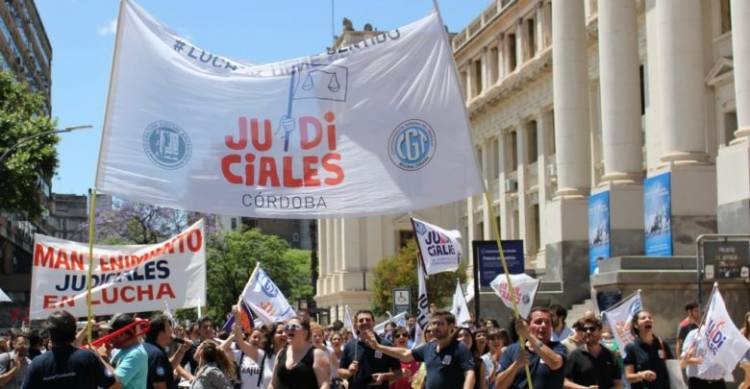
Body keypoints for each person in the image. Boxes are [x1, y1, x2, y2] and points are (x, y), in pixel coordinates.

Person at [363, 311, 476, 389]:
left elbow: (470, 374)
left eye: (440, 323)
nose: (435, 327)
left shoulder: (459, 347)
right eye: (433, 323)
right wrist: (378, 347)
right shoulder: (428, 347)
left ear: (451, 326)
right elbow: (406, 354)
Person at [21, 310, 117, 389]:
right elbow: (113, 384)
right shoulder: (89, 358)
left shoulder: (37, 363)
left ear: (50, 334)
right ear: (74, 331)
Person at [495, 307, 566, 389]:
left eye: (547, 322)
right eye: (538, 322)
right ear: (528, 325)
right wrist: (516, 364)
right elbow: (499, 385)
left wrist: (529, 335)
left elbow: (555, 363)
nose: (543, 325)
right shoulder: (511, 350)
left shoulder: (557, 347)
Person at [338, 310, 401, 389]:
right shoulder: (349, 346)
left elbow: (399, 373)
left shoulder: (386, 345)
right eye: (361, 320)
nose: (364, 322)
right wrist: (349, 372)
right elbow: (340, 371)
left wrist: (384, 376)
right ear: (356, 325)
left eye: (368, 320)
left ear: (374, 323)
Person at [270, 316, 331, 389]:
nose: (289, 329)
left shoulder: (316, 354)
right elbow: (273, 384)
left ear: (305, 332)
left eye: (293, 327)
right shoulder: (281, 353)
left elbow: (324, 384)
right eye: (287, 327)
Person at [564, 317, 622, 389]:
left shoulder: (609, 355)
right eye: (585, 329)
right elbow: (565, 382)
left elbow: (618, 383)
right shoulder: (574, 355)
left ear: (600, 331)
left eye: (592, 329)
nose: (588, 332)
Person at [623, 310, 673, 389]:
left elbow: (673, 367)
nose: (648, 319)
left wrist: (684, 361)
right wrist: (642, 375)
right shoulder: (631, 348)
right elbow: (629, 377)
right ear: (636, 325)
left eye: (649, 318)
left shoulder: (662, 344)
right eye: (643, 318)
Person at [145, 314, 191, 389]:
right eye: (169, 327)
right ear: (161, 333)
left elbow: (167, 368)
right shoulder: (156, 354)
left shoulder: (149, 348)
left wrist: (181, 350)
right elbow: (159, 386)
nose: (172, 331)